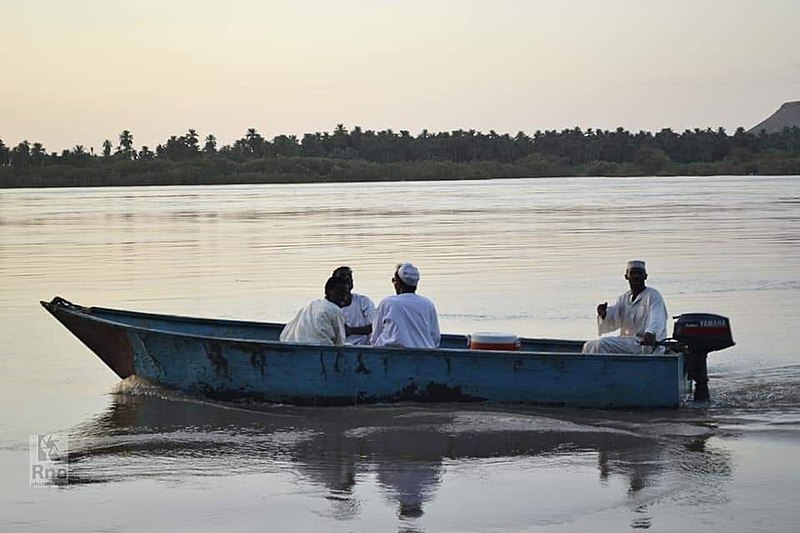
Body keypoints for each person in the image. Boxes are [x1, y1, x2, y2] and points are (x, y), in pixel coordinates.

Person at [582, 260, 668, 354]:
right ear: (626, 277)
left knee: (602, 344)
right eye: (633, 273)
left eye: (639, 273)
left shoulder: (653, 296)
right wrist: (604, 314)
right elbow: (615, 318)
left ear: (645, 276)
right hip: (628, 342)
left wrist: (651, 332)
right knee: (588, 345)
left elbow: (657, 318)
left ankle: (603, 368)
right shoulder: (624, 298)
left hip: (644, 344)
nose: (636, 276)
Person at [370, 262, 440, 349]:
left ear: (398, 283)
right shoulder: (428, 304)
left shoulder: (388, 303)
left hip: (390, 355)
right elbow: (435, 338)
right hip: (424, 355)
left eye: (394, 280)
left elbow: (375, 336)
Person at [279, 276, 349, 345]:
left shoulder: (313, 304)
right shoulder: (335, 311)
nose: (344, 297)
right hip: (323, 350)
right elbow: (340, 343)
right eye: (340, 293)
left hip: (297, 345)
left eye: (346, 294)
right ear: (329, 291)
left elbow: (287, 331)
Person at [332, 266, 377, 346]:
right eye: (342, 276)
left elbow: (375, 325)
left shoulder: (363, 301)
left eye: (349, 276)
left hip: (363, 348)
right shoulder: (327, 307)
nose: (347, 278)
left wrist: (350, 331)